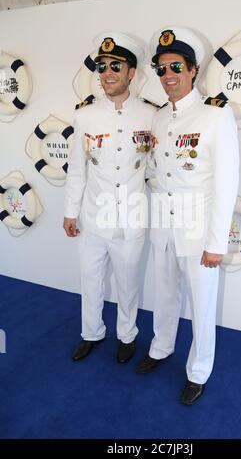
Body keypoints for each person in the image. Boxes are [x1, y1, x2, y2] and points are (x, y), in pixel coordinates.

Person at [137, 27, 239, 405]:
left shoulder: (215, 114)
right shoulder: (160, 118)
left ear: (193, 69)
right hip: (164, 227)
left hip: (198, 232)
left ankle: (198, 372)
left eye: (176, 66)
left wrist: (216, 243)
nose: (168, 76)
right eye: (162, 69)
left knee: (201, 305)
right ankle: (160, 348)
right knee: (163, 296)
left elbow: (226, 183)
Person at [64, 32, 156, 363]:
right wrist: (70, 212)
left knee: (128, 285)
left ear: (132, 72)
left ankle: (127, 336)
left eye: (116, 66)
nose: (108, 73)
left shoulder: (151, 115)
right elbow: (76, 169)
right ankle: (92, 333)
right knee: (90, 281)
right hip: (92, 217)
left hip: (131, 218)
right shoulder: (84, 115)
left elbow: (157, 169)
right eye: (103, 66)